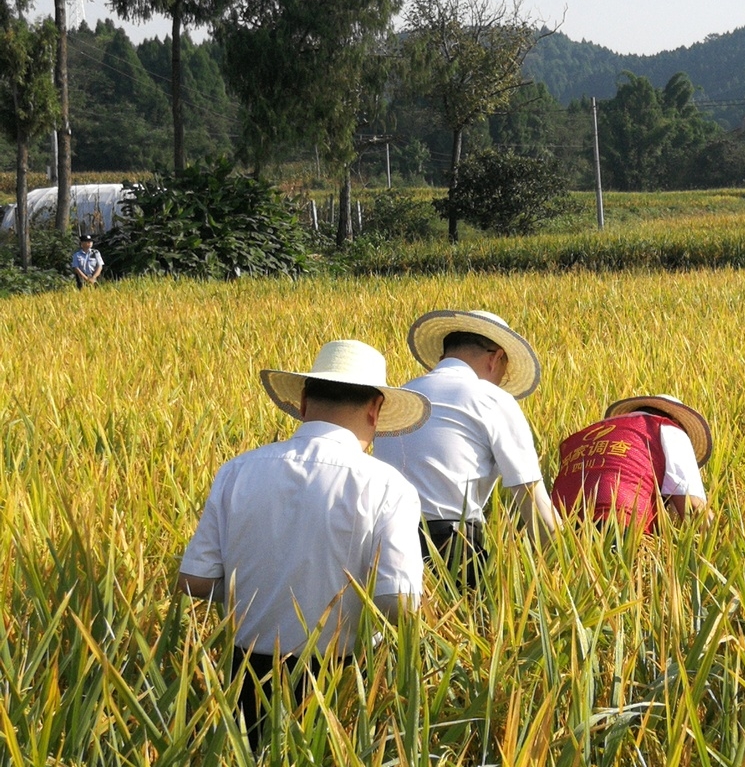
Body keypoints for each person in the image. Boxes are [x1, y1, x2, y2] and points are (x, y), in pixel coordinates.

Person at [176, 339, 430, 752]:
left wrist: (260, 588)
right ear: (375, 409)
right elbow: (398, 603)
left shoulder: (237, 470)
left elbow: (194, 581)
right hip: (340, 681)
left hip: (245, 673)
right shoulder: (388, 486)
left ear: (304, 402)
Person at [373, 309, 560, 588]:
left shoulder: (399, 399)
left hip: (381, 550)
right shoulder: (491, 398)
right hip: (452, 549)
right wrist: (567, 566)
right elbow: (533, 501)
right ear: (495, 358)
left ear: (443, 355)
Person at [551, 395, 712, 534]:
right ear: (676, 422)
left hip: (557, 529)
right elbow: (693, 508)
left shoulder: (585, 434)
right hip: (619, 522)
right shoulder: (671, 429)